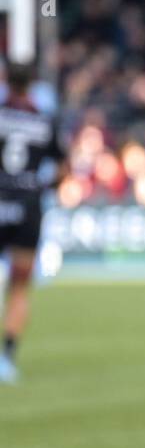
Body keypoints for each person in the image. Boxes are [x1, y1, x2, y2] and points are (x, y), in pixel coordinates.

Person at [0, 61, 65, 384]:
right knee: (20, 285)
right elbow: (62, 167)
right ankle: (7, 358)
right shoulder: (44, 120)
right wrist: (44, 187)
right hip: (28, 205)